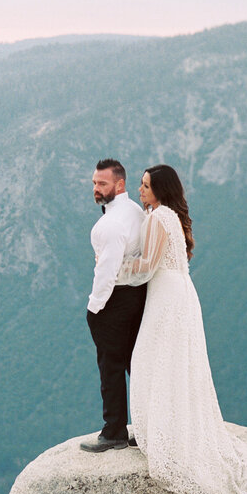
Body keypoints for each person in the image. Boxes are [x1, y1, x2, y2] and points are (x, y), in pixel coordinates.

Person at [117, 164, 247, 494]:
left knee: (152, 357)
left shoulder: (156, 217)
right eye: (140, 184)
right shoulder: (173, 217)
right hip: (182, 294)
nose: (140, 190)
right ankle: (177, 421)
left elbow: (148, 266)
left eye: (146, 185)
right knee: (177, 361)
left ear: (160, 190)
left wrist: (114, 269)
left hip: (166, 296)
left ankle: (164, 429)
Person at [80, 158, 147, 453]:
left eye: (102, 184)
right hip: (137, 296)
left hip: (115, 299)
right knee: (136, 363)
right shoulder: (134, 211)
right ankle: (147, 428)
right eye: (95, 183)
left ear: (119, 185)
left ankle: (114, 430)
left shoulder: (109, 224)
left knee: (110, 365)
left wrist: (95, 308)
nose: (96, 189)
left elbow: (106, 272)